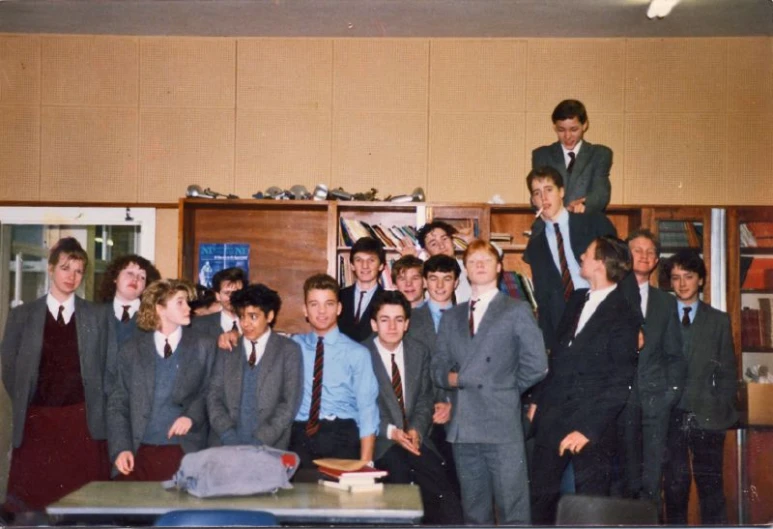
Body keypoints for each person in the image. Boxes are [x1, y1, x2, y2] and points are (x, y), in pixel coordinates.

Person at [431, 240, 548, 525]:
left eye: (486, 259)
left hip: (502, 423)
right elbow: (437, 368)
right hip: (464, 426)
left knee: (513, 509)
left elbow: (538, 365)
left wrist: (503, 387)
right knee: (474, 510)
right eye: (472, 261)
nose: (479, 265)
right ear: (466, 270)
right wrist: (459, 379)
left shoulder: (516, 310)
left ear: (499, 266)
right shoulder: (452, 317)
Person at [529, 236, 640, 525]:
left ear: (601, 263)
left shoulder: (625, 314)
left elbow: (620, 382)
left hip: (591, 427)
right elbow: (557, 358)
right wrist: (538, 402)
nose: (581, 256)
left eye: (587, 253)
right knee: (540, 501)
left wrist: (587, 430)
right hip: (552, 418)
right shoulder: (577, 299)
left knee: (590, 509)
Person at [1, 237, 112, 513]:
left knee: (83, 504)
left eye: (78, 271)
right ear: (51, 269)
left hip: (82, 421)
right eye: (65, 268)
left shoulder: (97, 316)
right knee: (33, 504)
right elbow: (8, 367)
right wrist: (28, 400)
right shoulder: (22, 315)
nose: (71, 277)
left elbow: (108, 367)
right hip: (38, 421)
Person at [365, 290, 463, 524]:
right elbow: (359, 407)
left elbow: (424, 398)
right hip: (380, 441)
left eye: (399, 319)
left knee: (445, 494)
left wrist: (416, 430)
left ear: (407, 323)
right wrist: (392, 432)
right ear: (374, 324)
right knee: (399, 481)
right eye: (384, 320)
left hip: (415, 438)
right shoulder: (360, 354)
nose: (392, 326)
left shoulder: (418, 351)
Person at [107, 279, 213, 481]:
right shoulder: (131, 350)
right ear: (160, 309)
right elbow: (117, 404)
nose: (188, 308)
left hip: (185, 451)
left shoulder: (204, 345)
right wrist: (121, 449)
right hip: (140, 452)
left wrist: (191, 416)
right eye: (180, 302)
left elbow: (210, 391)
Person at [662, 250, 737, 525]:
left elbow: (728, 371)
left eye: (689, 277)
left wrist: (721, 406)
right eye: (676, 278)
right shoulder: (661, 316)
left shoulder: (719, 320)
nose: (682, 284)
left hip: (708, 416)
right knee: (674, 486)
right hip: (671, 416)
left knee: (711, 488)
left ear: (701, 281)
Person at [614, 229, 685, 505]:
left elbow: (675, 355)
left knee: (651, 483)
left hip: (656, 405)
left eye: (650, 252)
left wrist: (668, 396)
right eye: (637, 250)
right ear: (625, 255)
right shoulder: (611, 295)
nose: (644, 256)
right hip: (618, 405)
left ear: (656, 261)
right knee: (620, 483)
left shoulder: (667, 303)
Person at [288, 273, 379, 471]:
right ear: (305, 310)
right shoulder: (292, 347)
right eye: (314, 304)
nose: (322, 311)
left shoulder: (358, 353)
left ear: (338, 308)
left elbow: (367, 410)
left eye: (329, 304)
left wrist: (365, 463)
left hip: (341, 434)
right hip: (300, 433)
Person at [523, 166, 616, 353]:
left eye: (549, 190)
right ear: (533, 200)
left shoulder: (593, 223)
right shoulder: (535, 245)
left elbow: (621, 273)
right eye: (537, 193)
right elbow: (543, 298)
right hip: (563, 330)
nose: (543, 197)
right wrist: (547, 345)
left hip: (604, 318)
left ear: (562, 192)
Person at [207, 284, 302, 450]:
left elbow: (289, 404)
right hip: (225, 445)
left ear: (270, 316)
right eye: (241, 316)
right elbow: (213, 396)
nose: (245, 323)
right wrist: (228, 435)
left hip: (269, 447)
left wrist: (260, 440)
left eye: (253, 316)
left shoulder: (288, 350)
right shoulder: (228, 348)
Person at [532, 99, 612, 213]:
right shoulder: (541, 155)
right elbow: (536, 196)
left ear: (585, 125)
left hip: (586, 225)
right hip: (552, 226)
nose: (567, 136)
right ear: (554, 127)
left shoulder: (600, 154)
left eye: (573, 129)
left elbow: (601, 194)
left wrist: (584, 204)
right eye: (561, 130)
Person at [97, 254, 161, 349]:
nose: (135, 279)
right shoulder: (96, 315)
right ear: (115, 277)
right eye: (130, 273)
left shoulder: (155, 317)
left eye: (142, 277)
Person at [339, 237, 385, 342]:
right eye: (359, 260)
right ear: (352, 265)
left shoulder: (389, 300)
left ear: (381, 266)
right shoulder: (338, 296)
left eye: (371, 260)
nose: (365, 266)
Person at [413, 221, 471, 303]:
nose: (441, 246)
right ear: (426, 252)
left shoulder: (469, 268)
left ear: (452, 241)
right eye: (433, 244)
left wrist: (473, 241)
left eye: (444, 239)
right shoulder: (424, 276)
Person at [190, 267, 246, 339]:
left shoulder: (256, 324)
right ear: (218, 295)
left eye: (236, 293)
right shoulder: (199, 325)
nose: (232, 297)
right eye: (227, 293)